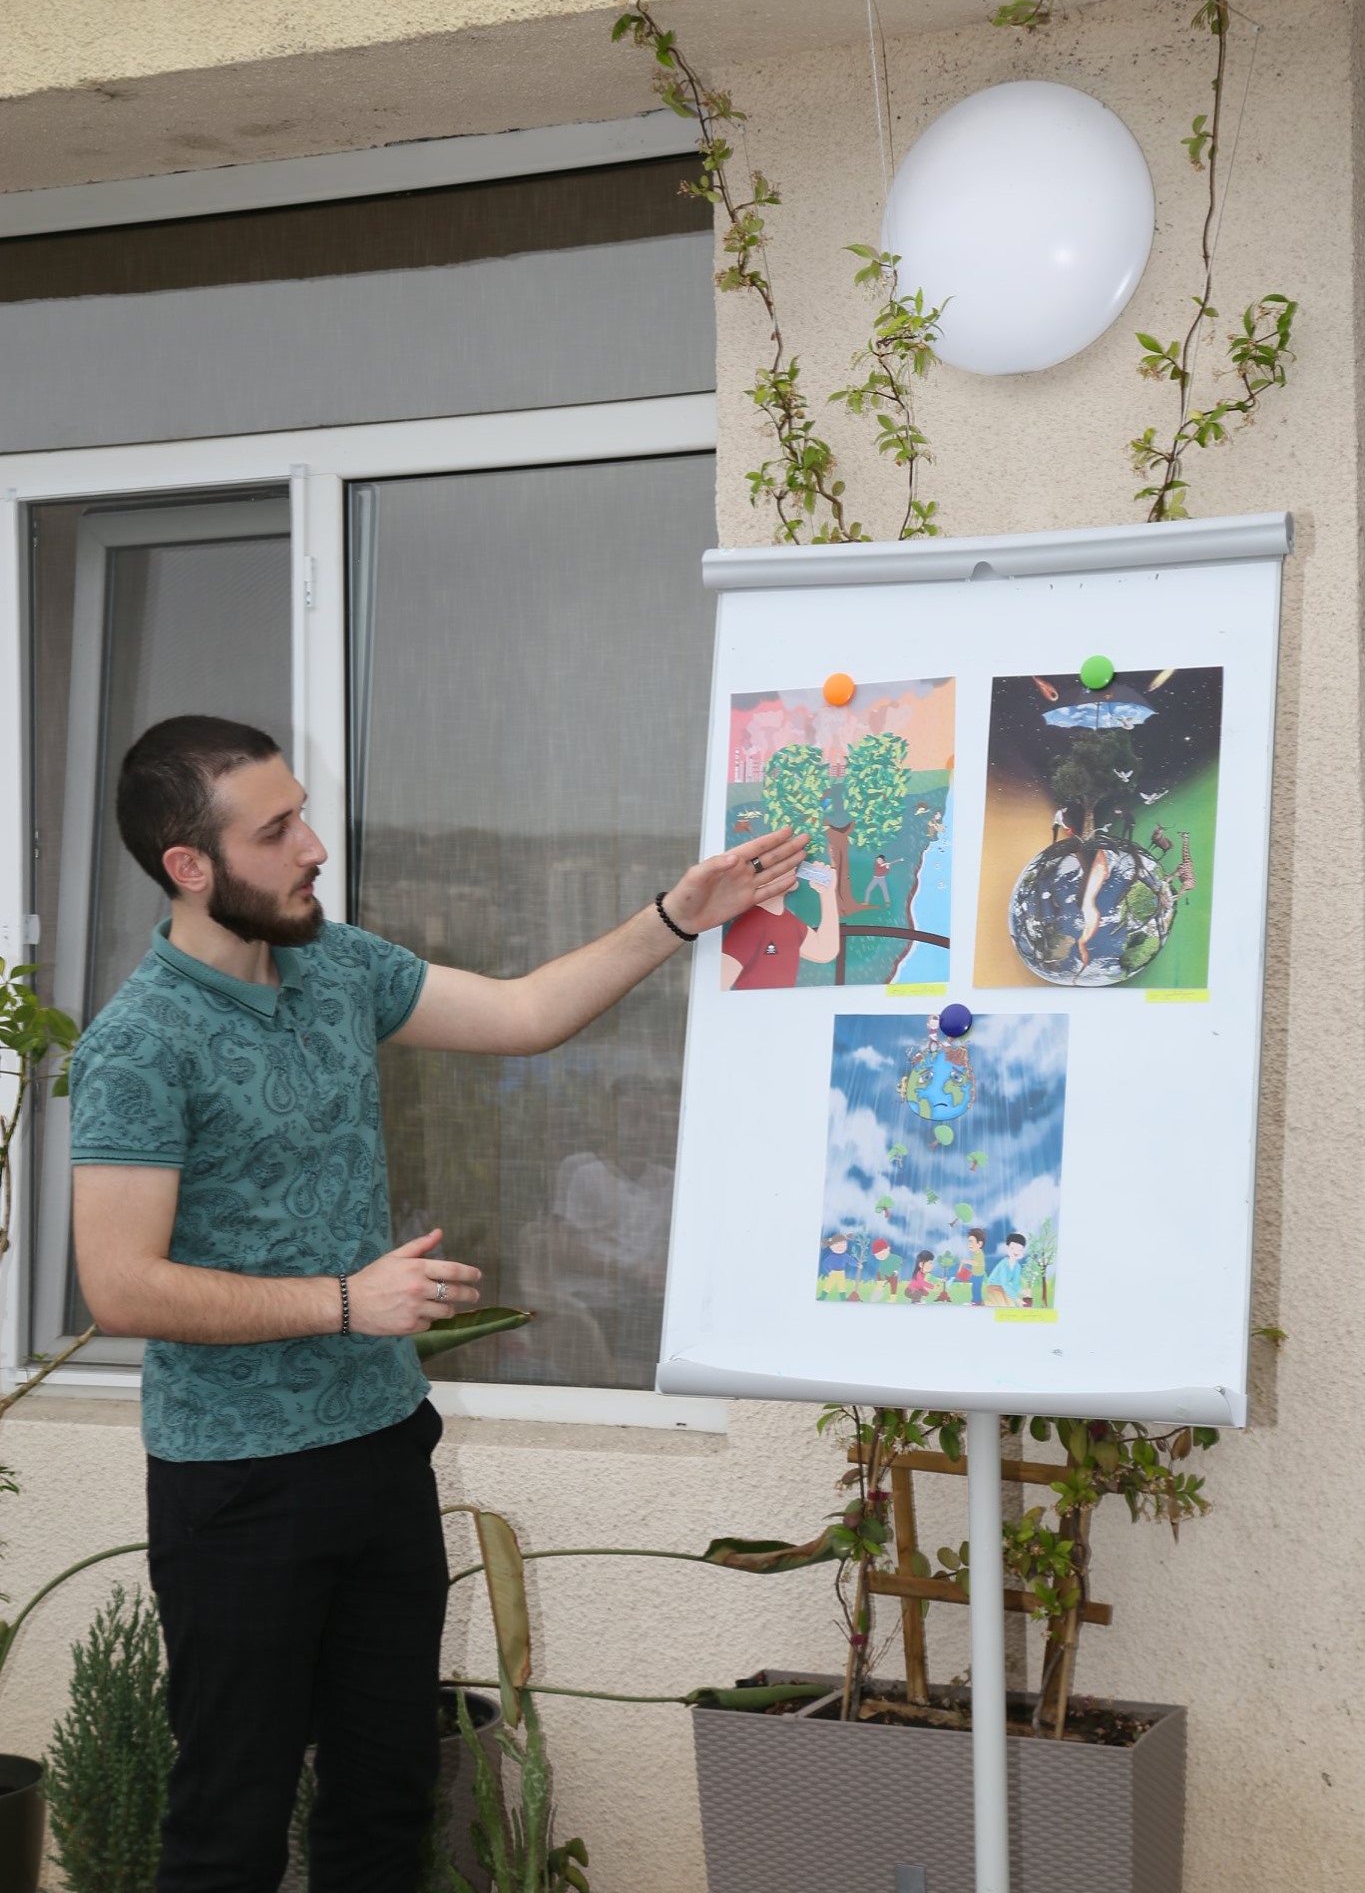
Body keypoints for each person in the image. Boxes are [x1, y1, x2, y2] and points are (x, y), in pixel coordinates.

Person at [68, 716, 806, 1893]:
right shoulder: (138, 1045)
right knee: (229, 1828)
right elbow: (119, 1284)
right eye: (277, 829)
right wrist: (344, 1301)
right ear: (189, 864)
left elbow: (524, 1014)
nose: (314, 846)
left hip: (379, 1451)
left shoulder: (338, 965)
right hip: (238, 1486)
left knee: (387, 1802)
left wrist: (678, 914)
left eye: (303, 814)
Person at [719, 860, 839, 989]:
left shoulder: (789, 923)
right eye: (779, 863)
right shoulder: (749, 926)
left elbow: (825, 951)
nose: (792, 865)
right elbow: (720, 983)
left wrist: (828, 895)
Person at [985, 1232, 1029, 1307]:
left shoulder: (1017, 1267)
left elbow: (1015, 1284)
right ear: (1007, 1248)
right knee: (1003, 1304)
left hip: (1003, 1288)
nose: (1016, 1252)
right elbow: (1004, 1284)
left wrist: (1022, 1291)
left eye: (1020, 1249)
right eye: (1013, 1248)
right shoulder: (1004, 1264)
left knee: (1011, 1305)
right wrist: (1016, 1299)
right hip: (994, 1286)